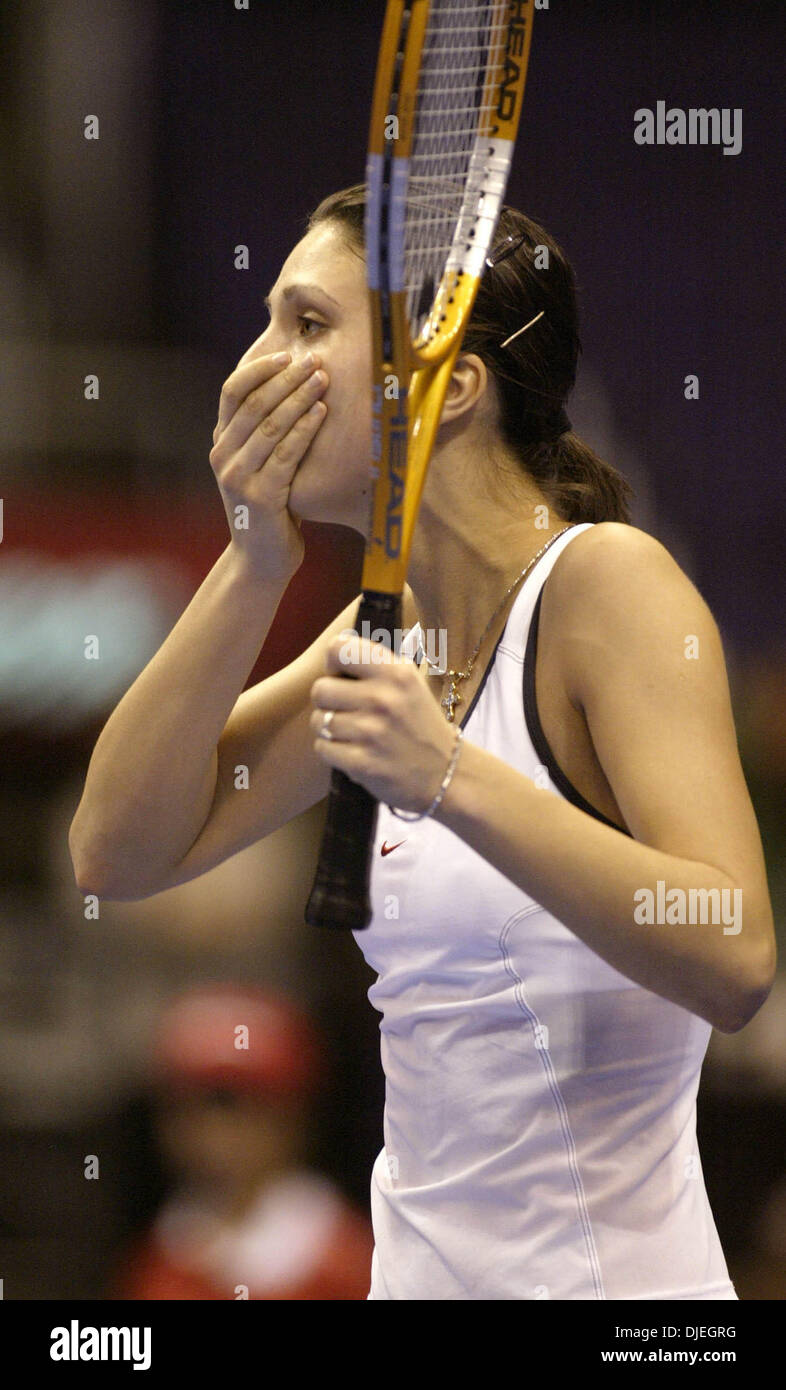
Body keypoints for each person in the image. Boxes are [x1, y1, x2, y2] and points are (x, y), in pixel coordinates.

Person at [70, 186, 776, 1300]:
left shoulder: (609, 589)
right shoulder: (382, 637)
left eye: (307, 325)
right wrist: (256, 561)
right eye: (266, 322)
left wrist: (449, 778)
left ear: (447, 390)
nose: (254, 367)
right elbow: (117, 851)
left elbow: (735, 955)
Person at [115, 985, 373, 1301]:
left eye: (232, 1109)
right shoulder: (161, 1257)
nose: (209, 1135)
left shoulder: (347, 1261)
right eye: (187, 1110)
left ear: (290, 1119)